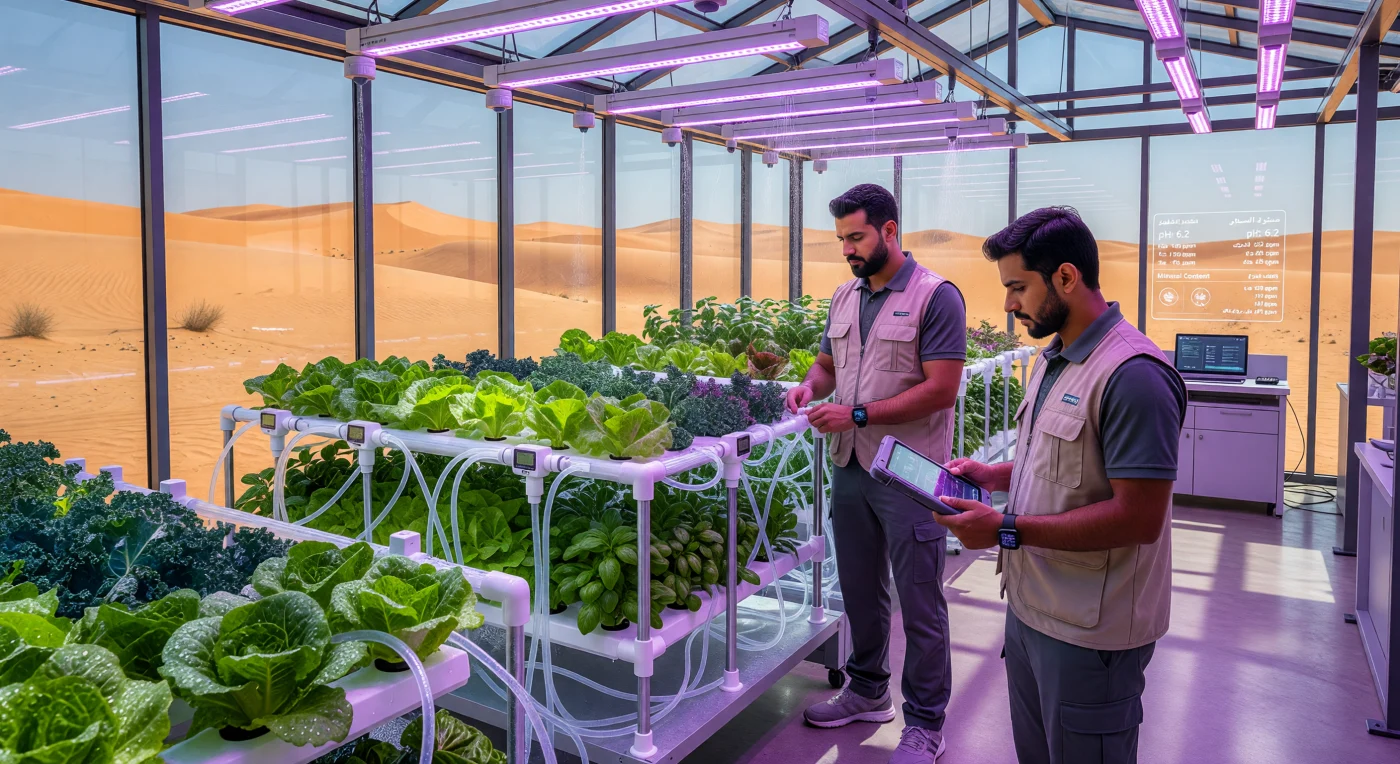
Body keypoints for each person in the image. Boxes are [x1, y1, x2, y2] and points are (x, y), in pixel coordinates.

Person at [934, 207, 1186, 764]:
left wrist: (1003, 530)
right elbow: (1064, 463)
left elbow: (1138, 518)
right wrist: (995, 476)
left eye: (1018, 287)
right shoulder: (1058, 359)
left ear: (1066, 278)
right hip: (1031, 612)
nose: (1008, 304)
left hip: (1089, 634)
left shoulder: (1134, 376)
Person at [786, 183, 967, 764]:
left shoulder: (936, 297)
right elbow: (827, 363)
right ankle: (866, 691)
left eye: (856, 236)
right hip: (850, 466)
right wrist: (810, 387)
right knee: (860, 589)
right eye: (841, 239)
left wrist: (857, 412)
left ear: (890, 231)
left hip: (910, 471)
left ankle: (925, 723)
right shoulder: (844, 296)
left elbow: (941, 390)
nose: (847, 249)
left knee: (920, 600)